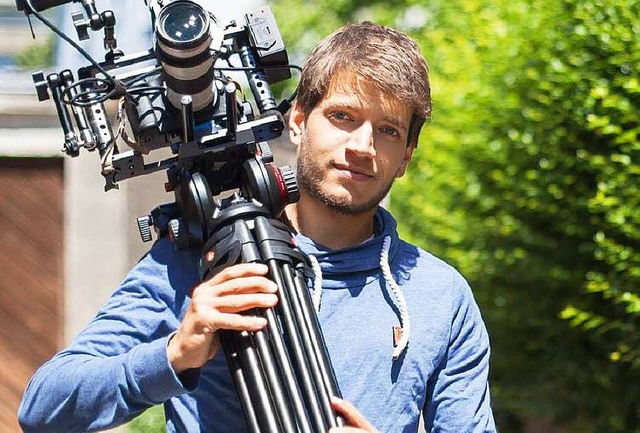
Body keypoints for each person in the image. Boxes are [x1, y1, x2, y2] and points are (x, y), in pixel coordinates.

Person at [19, 22, 496, 433]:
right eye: (343, 117)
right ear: (298, 121)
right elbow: (44, 407)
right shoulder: (204, 262)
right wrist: (175, 353)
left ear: (407, 156)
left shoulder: (440, 296)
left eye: (388, 130)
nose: (362, 146)